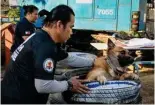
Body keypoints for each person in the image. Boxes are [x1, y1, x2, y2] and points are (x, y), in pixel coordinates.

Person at [1, 5, 95, 104]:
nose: (71, 32)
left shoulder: (41, 36)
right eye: (71, 27)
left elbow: (68, 59)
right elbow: (43, 85)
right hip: (17, 99)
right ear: (59, 25)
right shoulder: (46, 45)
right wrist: (69, 85)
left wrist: (94, 61)